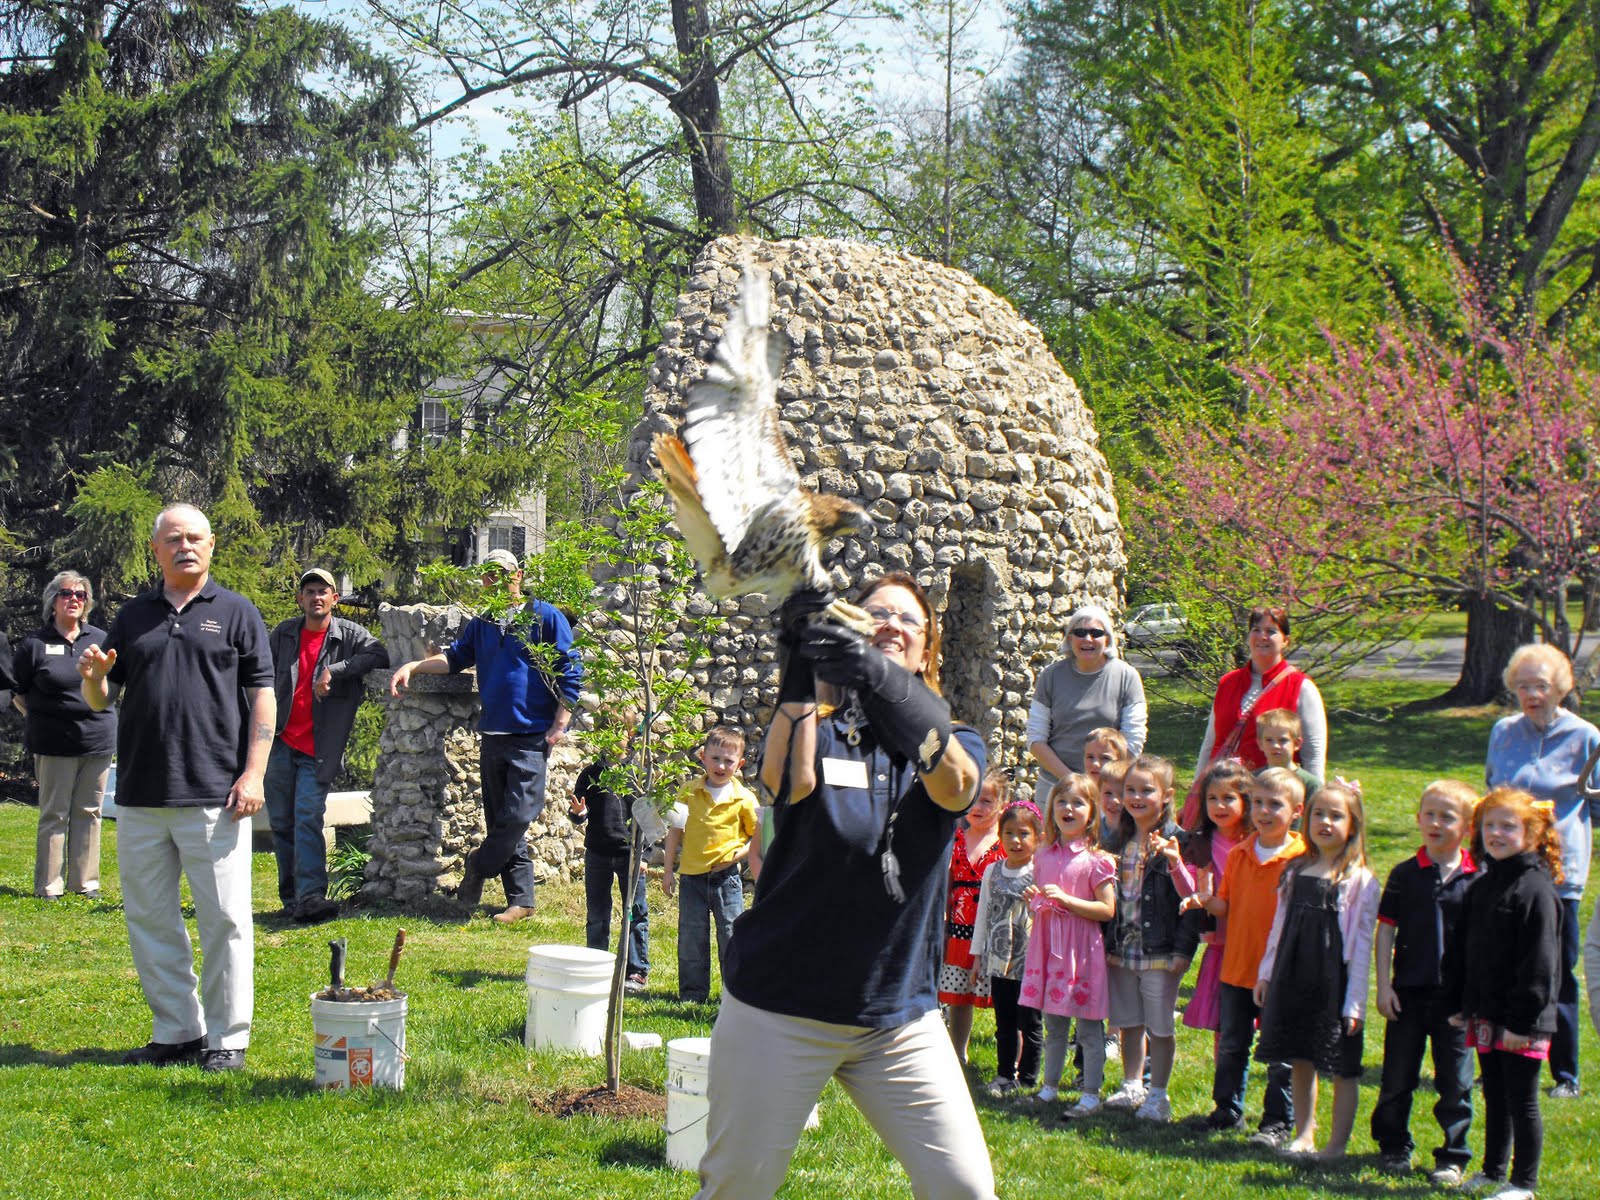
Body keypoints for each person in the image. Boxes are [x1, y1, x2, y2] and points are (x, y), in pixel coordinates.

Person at [694, 571, 994, 1200]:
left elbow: (956, 785)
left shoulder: (953, 740)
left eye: (908, 619)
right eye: (875, 613)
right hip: (780, 1006)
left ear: (927, 649)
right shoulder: (825, 732)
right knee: (735, 1190)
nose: (891, 624)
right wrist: (800, 661)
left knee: (965, 1189)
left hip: (896, 1016)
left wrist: (877, 675)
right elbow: (785, 779)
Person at [78, 504, 274, 1073]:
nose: (184, 546)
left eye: (194, 538)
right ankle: (178, 1030)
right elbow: (103, 698)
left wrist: (255, 771)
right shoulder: (132, 616)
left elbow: (263, 695)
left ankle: (228, 1039)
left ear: (211, 546)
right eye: (173, 539)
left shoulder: (237, 612)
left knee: (226, 921)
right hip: (140, 791)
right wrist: (92, 680)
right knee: (150, 917)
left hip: (216, 792)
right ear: (156, 549)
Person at [390, 548, 581, 924]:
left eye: (501, 573)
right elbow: (456, 659)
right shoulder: (483, 622)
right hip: (492, 732)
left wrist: (562, 719)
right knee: (500, 821)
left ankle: (479, 864)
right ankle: (521, 900)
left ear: (519, 575)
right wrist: (414, 664)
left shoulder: (545, 616)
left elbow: (568, 668)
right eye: (487, 574)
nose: (493, 580)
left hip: (530, 734)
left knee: (519, 814)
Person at [1484, 642, 1600, 1098]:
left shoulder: (1586, 737)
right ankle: (1497, 1052)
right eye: (1524, 686)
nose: (1532, 694)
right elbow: (1493, 790)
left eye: (1541, 686)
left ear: (1561, 688)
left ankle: (1564, 1072)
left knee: (1555, 970)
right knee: (1500, 962)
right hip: (1505, 867)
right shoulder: (1503, 732)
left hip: (1559, 871)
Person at [1442, 788, 1564, 1200]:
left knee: (1521, 1099)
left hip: (1521, 1021)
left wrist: (1521, 1022)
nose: (1496, 833)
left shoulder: (1536, 890)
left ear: (1532, 834)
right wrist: (1463, 1004)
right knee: (1494, 1092)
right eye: (1489, 825)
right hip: (1487, 1014)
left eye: (1508, 826)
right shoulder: (1483, 884)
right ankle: (1493, 1170)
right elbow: (1467, 951)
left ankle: (1523, 1183)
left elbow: (1540, 965)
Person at [1253, 780, 1379, 1160]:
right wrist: (1266, 972)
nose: (1325, 822)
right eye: (1318, 814)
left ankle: (1336, 1144)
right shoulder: (1295, 871)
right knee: (1300, 1056)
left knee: (1342, 1066)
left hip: (1334, 984)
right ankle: (1304, 1134)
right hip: (1294, 976)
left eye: (1336, 815)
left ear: (1353, 825)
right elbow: (1278, 926)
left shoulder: (1360, 881)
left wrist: (1354, 1003)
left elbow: (1360, 950)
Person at [1371, 779, 1480, 1185]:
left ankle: (1452, 1155)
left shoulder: (1478, 878)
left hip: (1457, 1002)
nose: (1435, 823)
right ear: (1417, 819)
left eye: (1447, 817)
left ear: (1468, 827)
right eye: (1429, 814)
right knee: (1397, 1077)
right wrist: (1383, 986)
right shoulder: (1404, 874)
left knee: (1455, 1081)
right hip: (1408, 995)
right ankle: (1393, 1145)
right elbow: (1386, 931)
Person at [264, 568, 388, 923]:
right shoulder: (284, 635)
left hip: (319, 748)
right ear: (300, 598)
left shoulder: (347, 635)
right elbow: (258, 676)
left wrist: (337, 669)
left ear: (335, 598)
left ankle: (312, 895)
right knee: (282, 822)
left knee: (306, 817)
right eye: (310, 591)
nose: (316, 597)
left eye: (323, 591)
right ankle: (291, 898)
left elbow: (379, 654)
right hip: (280, 741)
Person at [1198, 767, 1305, 1140]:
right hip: (1238, 965)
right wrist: (1207, 900)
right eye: (1258, 802)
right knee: (1231, 1043)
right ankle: (1227, 1109)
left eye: (1275, 804)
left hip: (1281, 972)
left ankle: (1277, 1121)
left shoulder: (1302, 858)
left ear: (1296, 810)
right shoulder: (1242, 852)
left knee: (1279, 1053)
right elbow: (1225, 905)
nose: (1263, 811)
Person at [1102, 754, 1198, 1123]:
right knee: (1128, 1021)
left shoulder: (1178, 841)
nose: (1136, 797)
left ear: (1167, 795)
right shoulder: (1119, 841)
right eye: (1130, 790)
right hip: (1123, 949)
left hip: (1160, 950)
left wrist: (1183, 951)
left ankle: (1158, 1094)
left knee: (1159, 1025)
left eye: (1146, 790)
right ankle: (1131, 1085)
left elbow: (1190, 901)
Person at [10, 571, 117, 899]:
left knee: (90, 812)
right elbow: (18, 692)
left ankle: (85, 884)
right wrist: (41, 717)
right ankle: (49, 886)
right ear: (52, 601)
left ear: (87, 603)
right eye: (66, 594)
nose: (74, 599)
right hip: (53, 743)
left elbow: (112, 686)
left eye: (80, 595)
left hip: (97, 740)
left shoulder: (100, 639)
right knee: (54, 813)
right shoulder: (34, 644)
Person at [1019, 773, 1116, 1115]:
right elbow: (1046, 899)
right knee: (1053, 1024)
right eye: (1062, 801)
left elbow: (1106, 909)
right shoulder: (1044, 855)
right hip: (1049, 947)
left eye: (1078, 802)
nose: (1068, 808)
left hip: (1081, 951)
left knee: (1088, 1026)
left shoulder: (1097, 860)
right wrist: (1037, 899)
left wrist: (1067, 901)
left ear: (1091, 812)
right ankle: (1049, 1087)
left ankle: (1091, 1092)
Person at [1183, 605, 1325, 827]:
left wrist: (1314, 807)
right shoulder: (1228, 683)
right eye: (1256, 630)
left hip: (1270, 801)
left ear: (1286, 640)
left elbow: (1313, 755)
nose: (1262, 637)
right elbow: (1211, 743)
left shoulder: (1302, 687)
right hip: (1223, 797)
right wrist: (1197, 790)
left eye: (1271, 631)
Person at [662, 725, 758, 1003]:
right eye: (715, 758)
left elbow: (758, 838)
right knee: (692, 938)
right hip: (691, 878)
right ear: (703, 757)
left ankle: (734, 994)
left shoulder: (744, 799)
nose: (721, 765)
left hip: (727, 879)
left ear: (739, 764)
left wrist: (738, 854)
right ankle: (693, 993)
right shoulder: (688, 792)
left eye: (729, 761)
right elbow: (674, 833)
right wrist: (669, 871)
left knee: (731, 936)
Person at [1027, 604, 1147, 798]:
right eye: (1080, 632)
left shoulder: (1127, 676)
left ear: (1107, 638)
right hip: (1056, 786)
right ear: (1069, 638)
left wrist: (1105, 781)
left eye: (1096, 633)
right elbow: (1035, 738)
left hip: (1109, 790)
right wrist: (1072, 780)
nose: (1087, 639)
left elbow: (1134, 739)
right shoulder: (1051, 676)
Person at [1174, 759, 1254, 1039]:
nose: (1219, 805)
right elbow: (1191, 885)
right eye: (1212, 798)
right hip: (1222, 942)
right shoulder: (1201, 842)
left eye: (1228, 798)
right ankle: (1225, 1078)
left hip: (1254, 941)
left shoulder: (1256, 841)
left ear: (1246, 801)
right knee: (1223, 1021)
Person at [971, 799, 1043, 1097]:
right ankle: (1004, 1074)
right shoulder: (992, 871)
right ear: (1000, 836)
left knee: (1030, 1021)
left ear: (1037, 838)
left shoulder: (1039, 872)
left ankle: (1027, 1078)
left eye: (1024, 833)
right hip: (999, 959)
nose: (1016, 841)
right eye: (1009, 833)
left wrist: (1036, 902)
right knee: (1005, 1021)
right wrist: (977, 956)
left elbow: (1048, 914)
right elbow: (983, 914)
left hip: (1030, 960)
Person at [570, 725, 651, 992]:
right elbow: (578, 811)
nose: (612, 738)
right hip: (597, 852)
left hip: (629, 854)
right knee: (597, 913)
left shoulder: (637, 775)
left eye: (619, 731)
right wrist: (579, 814)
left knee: (635, 912)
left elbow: (649, 820)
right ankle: (596, 963)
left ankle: (636, 970)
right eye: (606, 730)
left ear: (630, 736)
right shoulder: (592, 773)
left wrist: (645, 856)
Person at [938, 769, 1008, 1063]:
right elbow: (948, 883)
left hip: (997, 932)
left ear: (1002, 805)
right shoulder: (956, 839)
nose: (978, 808)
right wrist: (943, 920)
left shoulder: (1006, 842)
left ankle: (1011, 1058)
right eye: (975, 800)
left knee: (1004, 1000)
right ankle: (958, 1053)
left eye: (987, 801)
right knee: (958, 996)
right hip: (960, 929)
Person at [1255, 708, 1321, 798]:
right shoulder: (1253, 780)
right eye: (1269, 740)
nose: (1275, 745)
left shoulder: (1310, 784)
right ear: (1260, 744)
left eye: (1283, 740)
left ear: (1297, 743)